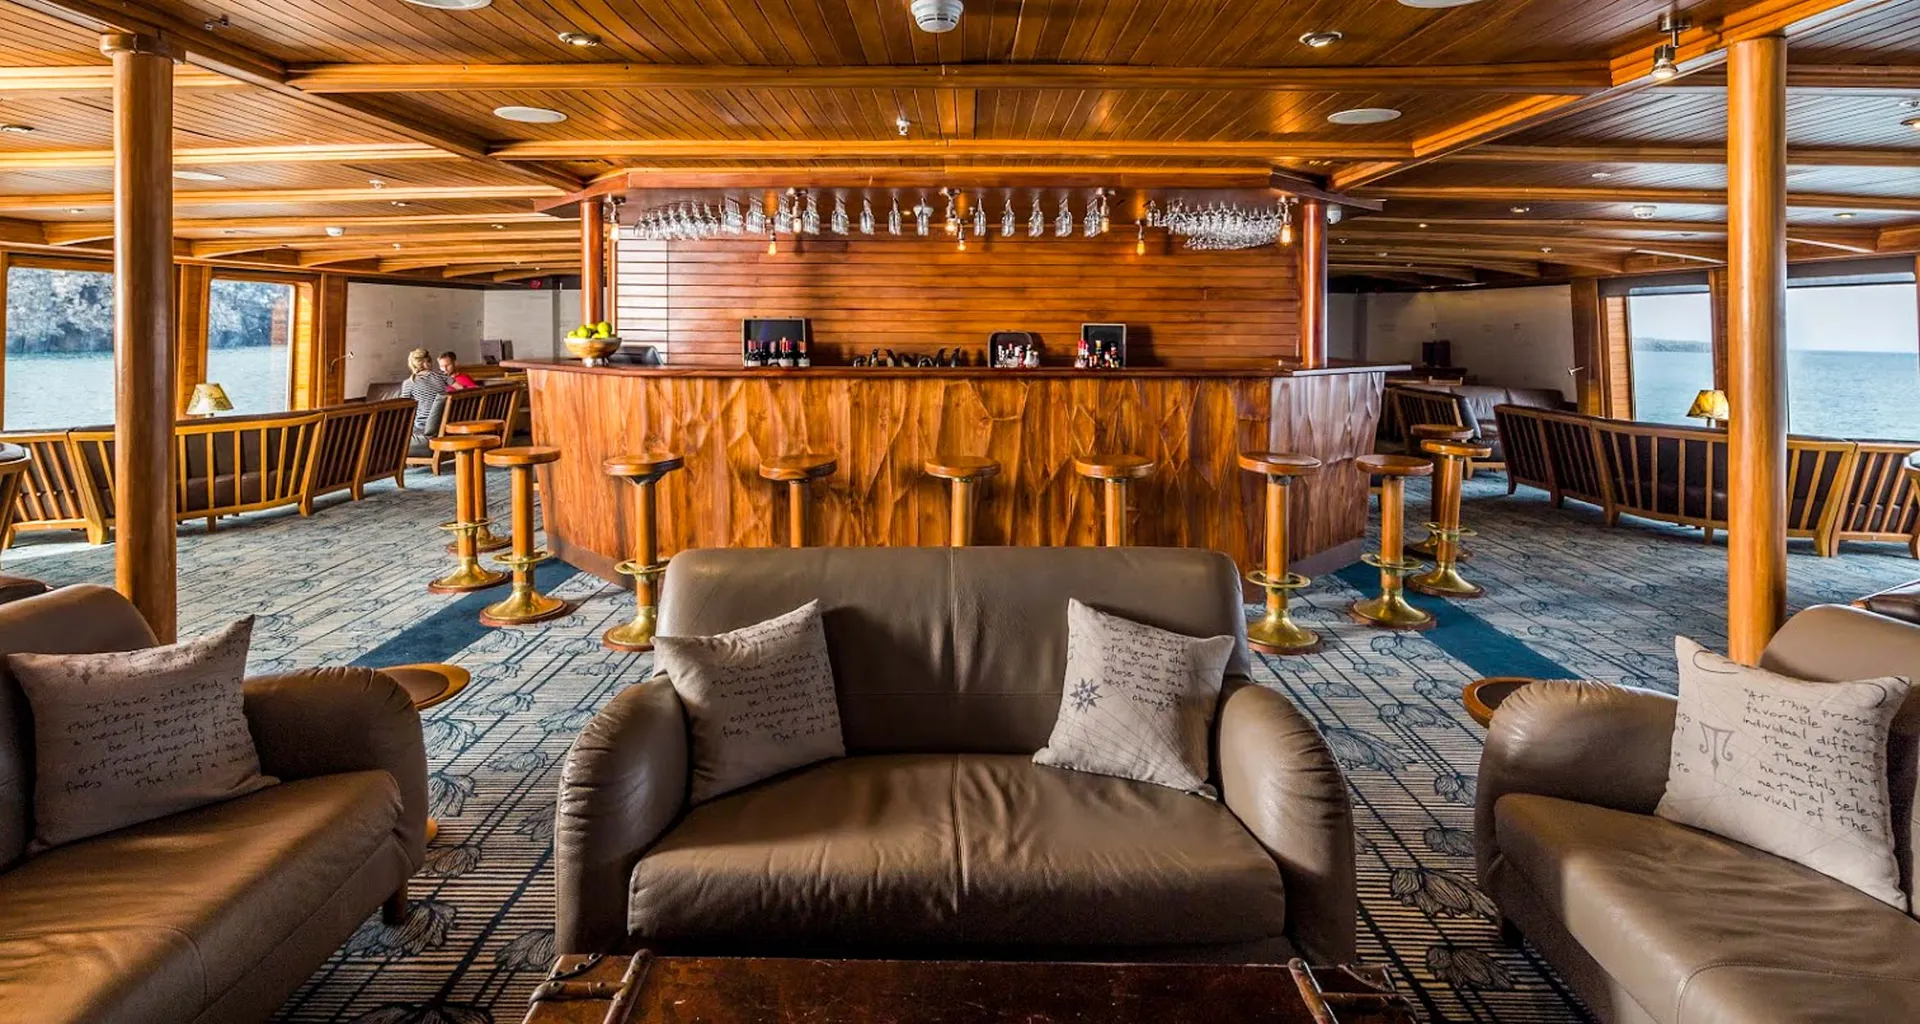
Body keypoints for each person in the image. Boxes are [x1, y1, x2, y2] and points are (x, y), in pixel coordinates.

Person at [399, 348, 452, 443]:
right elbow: (461, 389)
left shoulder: (409, 383)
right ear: (427, 362)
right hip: (447, 420)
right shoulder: (441, 376)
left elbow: (404, 409)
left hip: (423, 426)